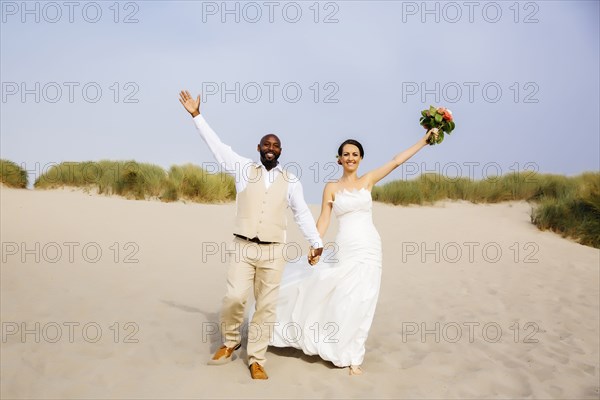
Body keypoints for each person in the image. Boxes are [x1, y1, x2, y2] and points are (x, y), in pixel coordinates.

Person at [178, 90, 324, 380]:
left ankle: (257, 358)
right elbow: (216, 146)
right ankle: (231, 341)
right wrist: (196, 115)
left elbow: (302, 214)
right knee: (233, 297)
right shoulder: (243, 168)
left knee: (266, 307)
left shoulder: (291, 180)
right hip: (243, 247)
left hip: (274, 251)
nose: (271, 148)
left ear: (281, 151)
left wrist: (316, 243)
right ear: (258, 147)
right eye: (267, 144)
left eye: (276, 145)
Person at [269, 130, 438, 375]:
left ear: (360, 158)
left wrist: (424, 140)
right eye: (346, 154)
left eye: (355, 154)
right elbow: (324, 219)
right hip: (346, 248)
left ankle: (354, 357)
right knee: (343, 298)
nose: (350, 158)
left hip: (370, 247)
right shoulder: (331, 187)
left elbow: (397, 161)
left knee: (364, 300)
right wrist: (315, 244)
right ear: (339, 159)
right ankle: (331, 344)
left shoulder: (368, 180)